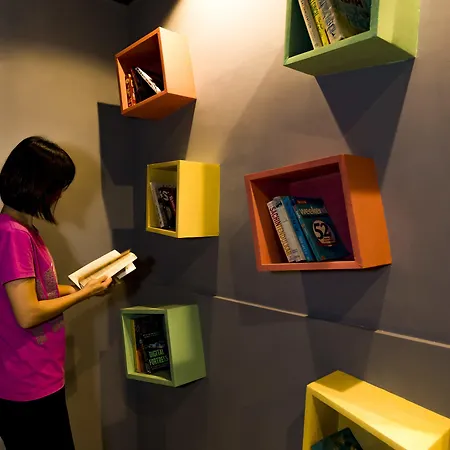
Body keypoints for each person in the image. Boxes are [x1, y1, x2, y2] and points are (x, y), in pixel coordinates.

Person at [0, 136, 112, 449]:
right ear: (37, 185)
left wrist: (82, 286)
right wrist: (84, 295)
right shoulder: (13, 235)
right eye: (58, 186)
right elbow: (28, 313)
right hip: (26, 383)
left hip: (39, 376)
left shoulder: (23, 230)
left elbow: (40, 291)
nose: (60, 194)